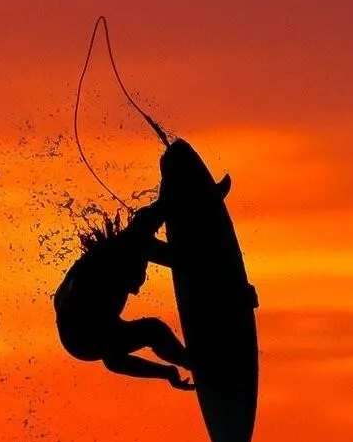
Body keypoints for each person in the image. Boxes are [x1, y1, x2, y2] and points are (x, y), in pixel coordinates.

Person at [55, 138, 230, 391]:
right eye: (134, 284)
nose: (138, 286)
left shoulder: (103, 273)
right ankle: (193, 361)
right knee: (142, 235)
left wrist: (171, 369)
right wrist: (169, 371)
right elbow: (117, 361)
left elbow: (116, 360)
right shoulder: (96, 321)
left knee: (141, 232)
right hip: (84, 322)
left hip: (85, 310)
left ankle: (193, 206)